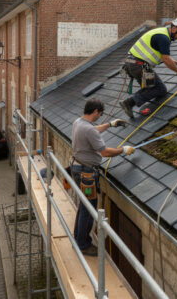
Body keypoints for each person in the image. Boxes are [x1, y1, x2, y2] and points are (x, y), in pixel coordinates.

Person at [71, 98, 135, 256]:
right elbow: (105, 152)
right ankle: (84, 245)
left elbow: (92, 130)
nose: (100, 116)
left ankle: (78, 237)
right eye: (100, 114)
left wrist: (110, 124)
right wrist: (123, 150)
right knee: (89, 207)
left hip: (77, 167)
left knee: (83, 205)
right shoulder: (89, 129)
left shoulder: (78, 122)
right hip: (87, 174)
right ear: (95, 112)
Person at [120, 18, 177, 119]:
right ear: (174, 29)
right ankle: (128, 103)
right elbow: (166, 59)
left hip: (133, 65)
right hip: (140, 66)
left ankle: (130, 102)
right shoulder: (163, 38)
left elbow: (163, 56)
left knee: (150, 88)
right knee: (159, 89)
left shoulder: (161, 33)